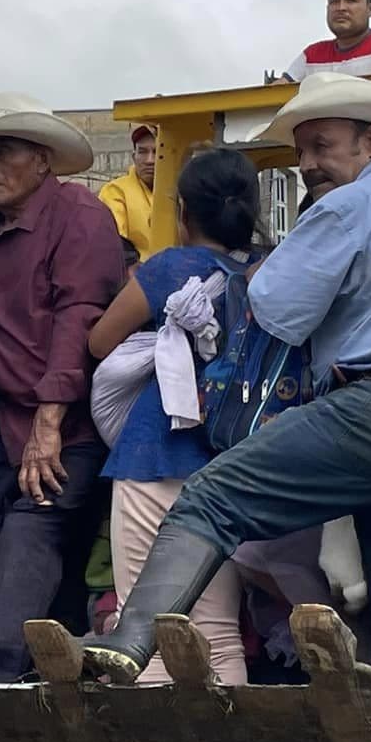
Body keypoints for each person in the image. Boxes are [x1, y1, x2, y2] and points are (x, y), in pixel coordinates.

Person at [82, 73, 371, 681]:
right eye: (301, 150)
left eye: (321, 145)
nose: (307, 163)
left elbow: (278, 309)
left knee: (211, 497)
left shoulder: (347, 205)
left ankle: (128, 642)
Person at [0, 93, 125, 681]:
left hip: (71, 422)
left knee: (33, 524)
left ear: (42, 160)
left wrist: (49, 426)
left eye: (4, 151)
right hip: (2, 422)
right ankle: (41, 677)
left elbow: (79, 318)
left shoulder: (81, 215)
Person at [86, 147, 264, 685]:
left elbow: (99, 342)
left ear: (182, 210)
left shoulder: (170, 267)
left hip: (153, 456)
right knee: (220, 630)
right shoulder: (266, 273)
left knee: (148, 633)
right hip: (230, 466)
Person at [98, 124, 159, 262]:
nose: (150, 160)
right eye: (142, 152)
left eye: (156, 152)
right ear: (134, 157)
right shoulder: (116, 191)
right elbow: (116, 245)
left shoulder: (178, 191)